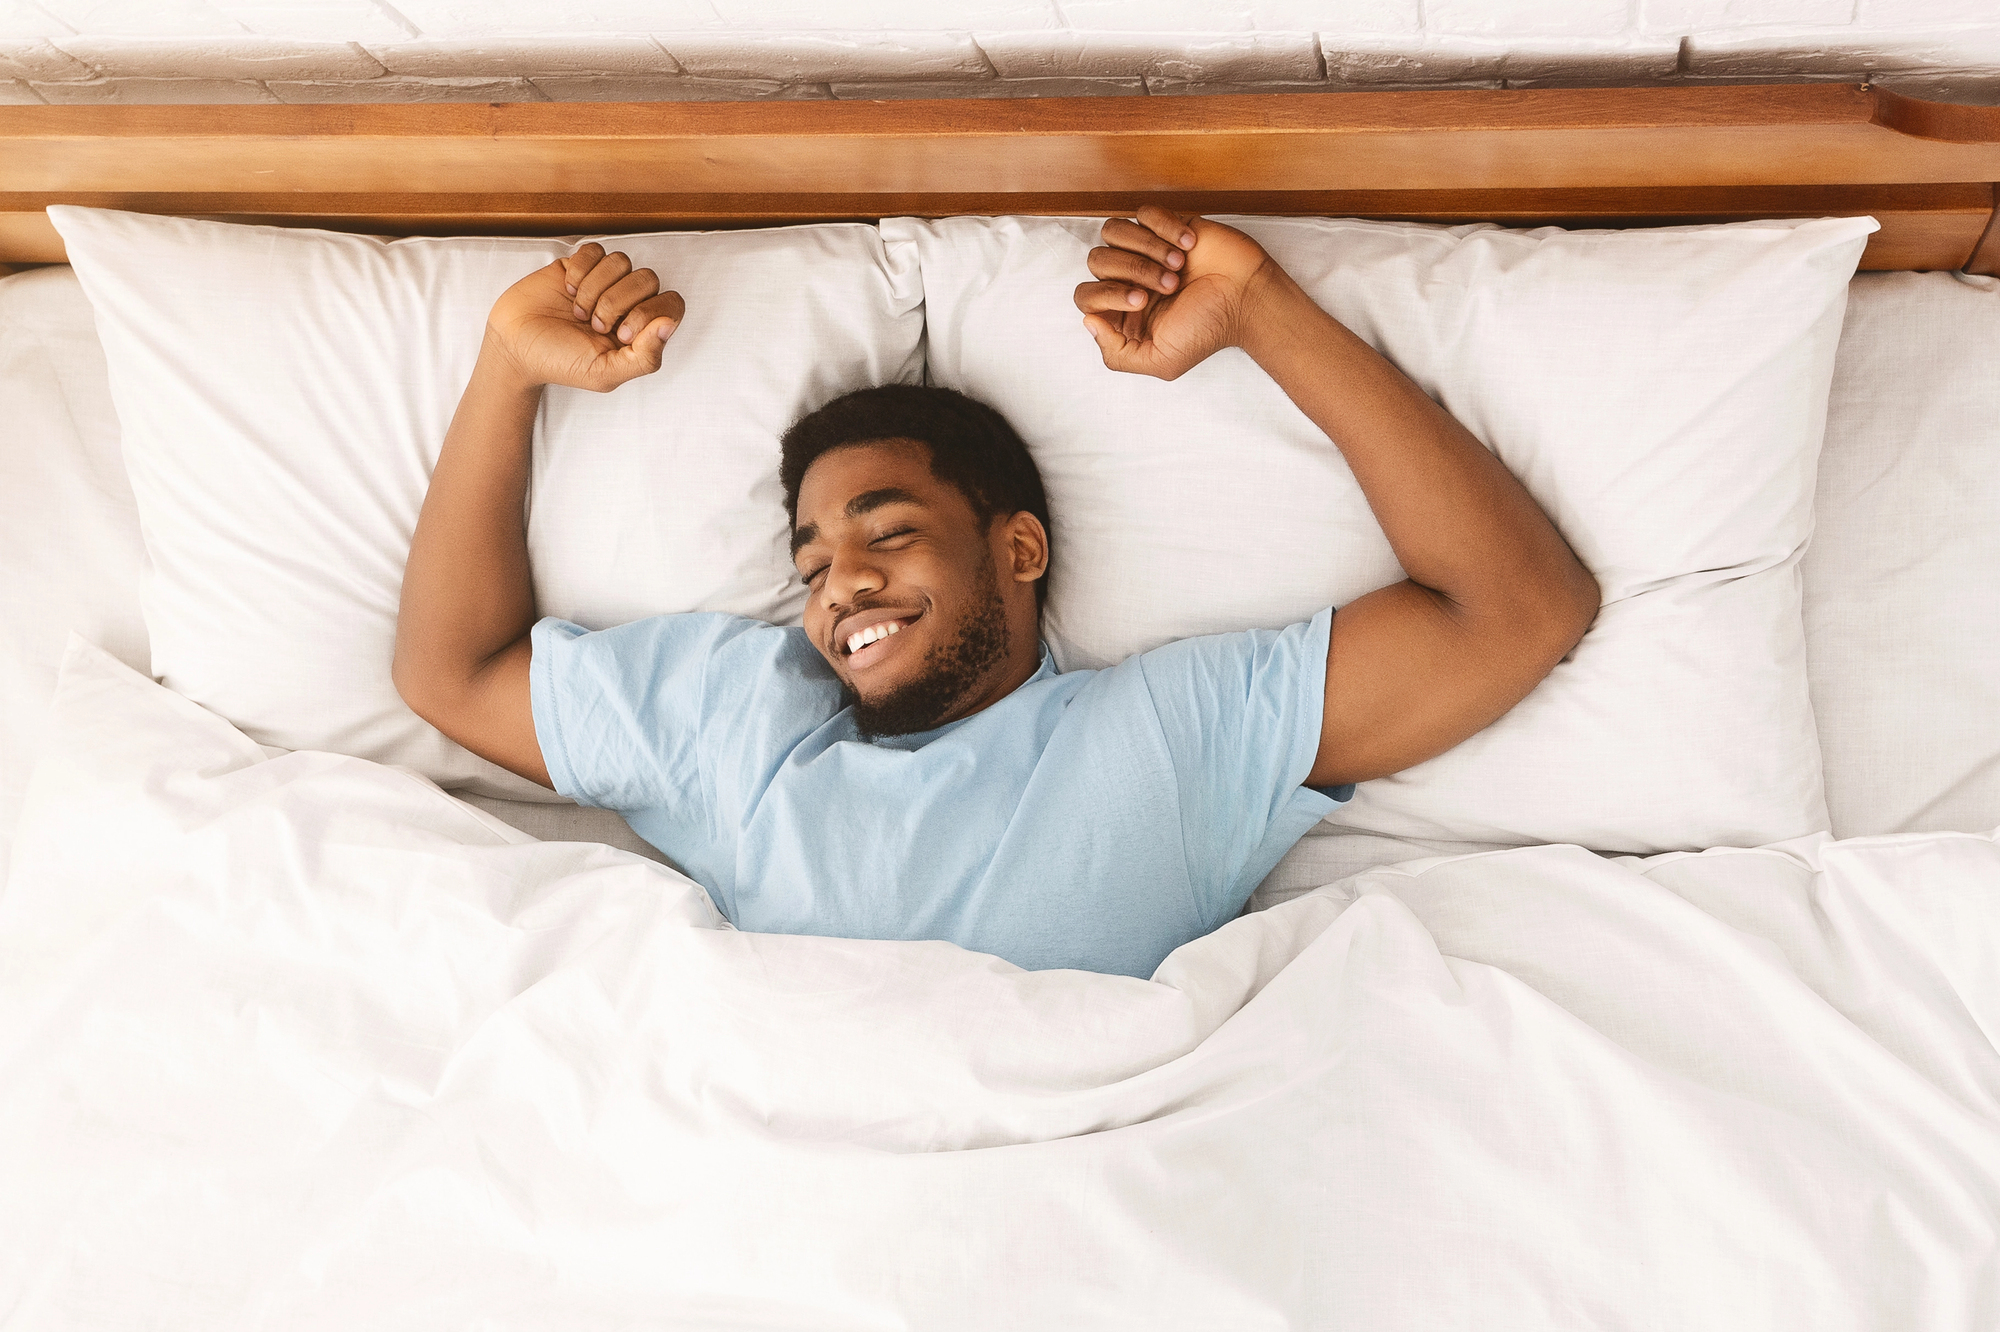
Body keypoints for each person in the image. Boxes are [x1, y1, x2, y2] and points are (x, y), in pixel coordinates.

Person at [393, 206, 1599, 979]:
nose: (837, 586)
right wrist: (506, 370)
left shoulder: (1163, 739)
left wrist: (1260, 313)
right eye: (809, 564)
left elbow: (1517, 607)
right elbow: (451, 674)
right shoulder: (732, 719)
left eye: (888, 534)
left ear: (1019, 551)